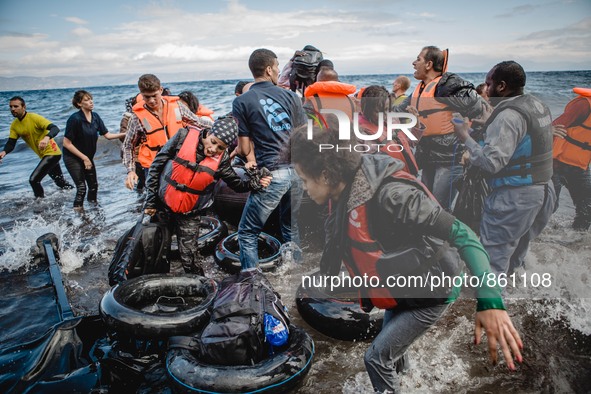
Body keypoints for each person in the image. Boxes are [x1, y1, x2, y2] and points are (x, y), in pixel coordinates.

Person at [289, 124, 523, 393]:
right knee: (394, 356)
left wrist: (490, 301)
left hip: (434, 289)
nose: (304, 188)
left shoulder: (393, 197)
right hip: (402, 282)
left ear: (326, 175)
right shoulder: (345, 188)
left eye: (304, 180)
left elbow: (465, 235)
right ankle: (410, 383)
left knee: (376, 358)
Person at [453, 60, 556, 275]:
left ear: (501, 86)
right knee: (516, 254)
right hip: (545, 191)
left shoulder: (508, 116)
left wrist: (465, 138)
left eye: (488, 83)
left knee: (493, 260)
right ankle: (515, 299)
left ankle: (490, 305)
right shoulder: (536, 104)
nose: (486, 89)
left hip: (516, 195)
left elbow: (491, 163)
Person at [144, 115, 271, 274]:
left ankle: (200, 285)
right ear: (209, 132)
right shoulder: (183, 136)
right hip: (162, 204)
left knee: (189, 255)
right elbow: (155, 166)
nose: (213, 150)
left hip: (189, 212)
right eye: (213, 142)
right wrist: (150, 202)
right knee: (157, 249)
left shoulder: (222, 159)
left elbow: (236, 184)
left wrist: (256, 183)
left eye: (220, 147)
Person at [232, 48, 308, 270]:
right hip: (297, 173)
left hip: (272, 175)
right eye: (276, 66)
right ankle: (296, 274)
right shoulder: (291, 96)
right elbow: (302, 137)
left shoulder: (242, 101)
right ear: (268, 69)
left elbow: (245, 147)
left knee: (247, 233)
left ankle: (251, 282)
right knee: (290, 228)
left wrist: (236, 153)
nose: (277, 70)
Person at [396, 46, 488, 210]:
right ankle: (428, 235)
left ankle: (443, 235)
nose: (413, 63)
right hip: (428, 155)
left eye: (418, 59)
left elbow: (483, 112)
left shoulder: (447, 85)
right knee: (426, 204)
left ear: (429, 64)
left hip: (449, 159)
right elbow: (396, 111)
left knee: (439, 208)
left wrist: (472, 145)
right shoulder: (421, 88)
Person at [122, 74, 213, 191]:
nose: (151, 101)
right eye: (146, 97)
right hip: (153, 167)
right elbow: (127, 145)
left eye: (154, 96)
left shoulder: (177, 107)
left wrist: (220, 126)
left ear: (160, 90)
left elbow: (198, 122)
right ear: (141, 94)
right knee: (154, 200)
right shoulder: (137, 118)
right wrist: (131, 171)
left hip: (177, 161)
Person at [62, 90, 125, 210]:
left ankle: (94, 211)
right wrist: (84, 158)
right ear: (79, 104)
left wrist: (126, 134)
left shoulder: (95, 116)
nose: (91, 102)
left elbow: (107, 135)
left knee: (93, 186)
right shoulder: (75, 119)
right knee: (81, 188)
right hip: (73, 158)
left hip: (87, 158)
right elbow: (66, 143)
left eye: (91, 99)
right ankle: (79, 216)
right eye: (86, 100)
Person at [0, 96, 73, 197]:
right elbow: (11, 143)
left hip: (52, 153)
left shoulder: (34, 118)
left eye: (16, 106)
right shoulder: (14, 125)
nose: (13, 109)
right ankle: (77, 192)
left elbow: (55, 128)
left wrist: (47, 137)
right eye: (11, 107)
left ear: (24, 107)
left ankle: (40, 203)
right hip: (44, 155)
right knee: (60, 182)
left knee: (34, 180)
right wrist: (3, 152)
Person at [551, 88, 591, 230]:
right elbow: (554, 126)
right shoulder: (584, 105)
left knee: (587, 209)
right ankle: (532, 241)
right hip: (555, 164)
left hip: (580, 167)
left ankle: (574, 243)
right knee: (548, 207)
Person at [357, 85, 419, 175]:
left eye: (387, 109)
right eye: (379, 111)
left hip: (407, 177)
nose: (385, 115)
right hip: (388, 184)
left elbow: (410, 143)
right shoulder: (359, 133)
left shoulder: (393, 121)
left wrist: (416, 122)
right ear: (366, 109)